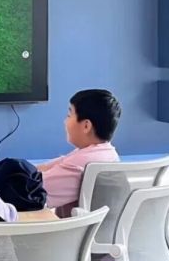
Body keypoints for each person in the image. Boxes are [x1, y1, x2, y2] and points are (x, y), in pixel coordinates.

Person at [38, 89, 121, 217]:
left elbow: (29, 190)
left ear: (86, 126)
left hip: (72, 230)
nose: (65, 121)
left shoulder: (82, 163)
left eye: (69, 115)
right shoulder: (105, 153)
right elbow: (42, 169)